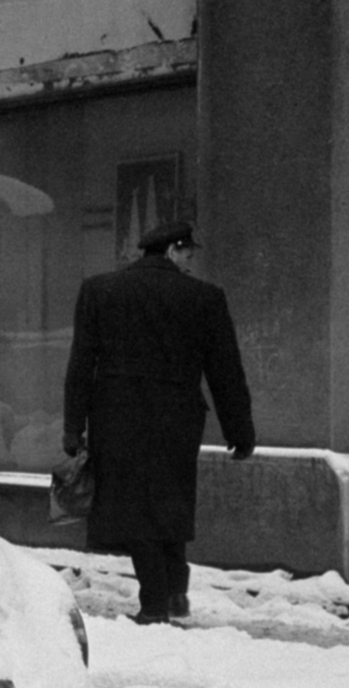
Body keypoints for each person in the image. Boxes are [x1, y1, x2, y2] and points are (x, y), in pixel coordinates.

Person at [62, 220, 255, 625]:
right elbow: (225, 371)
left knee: (134, 508)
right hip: (178, 418)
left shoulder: (100, 290)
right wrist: (240, 430)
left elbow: (81, 363)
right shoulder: (205, 297)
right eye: (187, 253)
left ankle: (157, 603)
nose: (190, 261)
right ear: (170, 251)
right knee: (170, 501)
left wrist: (73, 426)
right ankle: (172, 595)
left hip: (117, 416)